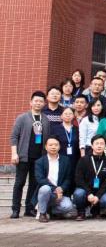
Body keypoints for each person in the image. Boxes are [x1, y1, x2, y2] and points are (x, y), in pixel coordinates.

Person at [10, 91, 50, 219]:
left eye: (41, 101)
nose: (38, 103)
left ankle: (29, 208)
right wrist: (14, 153)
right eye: (36, 101)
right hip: (23, 156)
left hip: (39, 157)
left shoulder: (45, 119)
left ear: (44, 103)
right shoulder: (22, 118)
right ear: (31, 102)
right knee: (19, 183)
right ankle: (15, 209)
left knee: (34, 184)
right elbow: (14, 137)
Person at [34, 137, 75, 222]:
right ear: (46, 147)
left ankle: (48, 210)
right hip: (48, 191)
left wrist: (62, 188)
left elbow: (68, 178)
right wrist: (55, 189)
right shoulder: (40, 162)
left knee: (68, 207)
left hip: (60, 192)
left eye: (56, 145)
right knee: (45, 188)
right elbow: (40, 179)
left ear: (59, 147)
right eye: (51, 145)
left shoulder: (66, 160)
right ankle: (42, 213)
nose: (53, 147)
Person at [73, 136, 106, 220]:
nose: (99, 146)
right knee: (78, 194)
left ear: (105, 146)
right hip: (85, 190)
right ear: (92, 146)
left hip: (99, 191)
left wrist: (98, 196)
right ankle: (81, 212)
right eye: (97, 143)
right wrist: (89, 193)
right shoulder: (83, 160)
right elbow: (79, 179)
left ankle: (95, 209)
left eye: (102, 144)